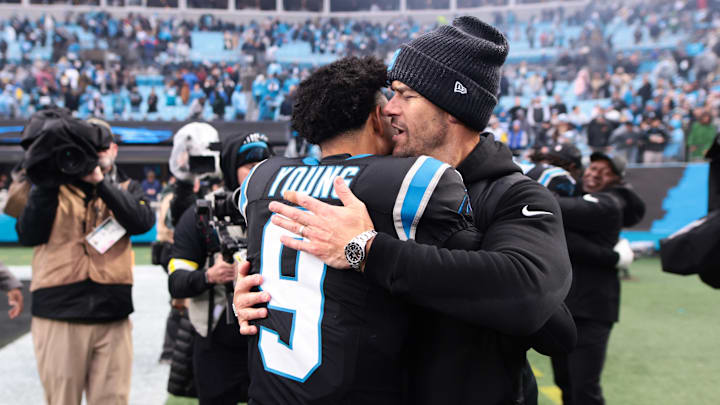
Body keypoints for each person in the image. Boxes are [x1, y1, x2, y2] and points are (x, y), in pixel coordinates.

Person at [236, 17, 573, 404]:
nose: (388, 109)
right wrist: (259, 298)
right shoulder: (372, 188)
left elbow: (543, 312)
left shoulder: (513, 194)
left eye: (405, 94)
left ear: (452, 108)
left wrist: (367, 250)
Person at [236, 55, 475, 404]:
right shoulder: (413, 180)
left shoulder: (260, 179)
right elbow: (476, 279)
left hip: (270, 391)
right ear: (377, 118)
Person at [15, 117, 155, 405]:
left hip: (113, 314)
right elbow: (29, 233)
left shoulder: (126, 187)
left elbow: (141, 223)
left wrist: (101, 183)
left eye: (97, 148)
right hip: (59, 312)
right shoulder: (47, 185)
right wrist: (49, 177)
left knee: (113, 400)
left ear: (113, 149)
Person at [167, 132, 272, 405]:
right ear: (229, 168)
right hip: (216, 342)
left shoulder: (279, 210)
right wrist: (210, 276)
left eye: (265, 163)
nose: (257, 171)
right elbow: (176, 281)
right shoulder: (203, 213)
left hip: (268, 340)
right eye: (249, 165)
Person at [550, 152, 645, 405]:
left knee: (584, 389)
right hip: (564, 305)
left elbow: (563, 226)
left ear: (616, 179)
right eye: (592, 167)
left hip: (592, 310)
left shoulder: (610, 203)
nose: (594, 173)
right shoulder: (580, 196)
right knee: (566, 383)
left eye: (604, 171)